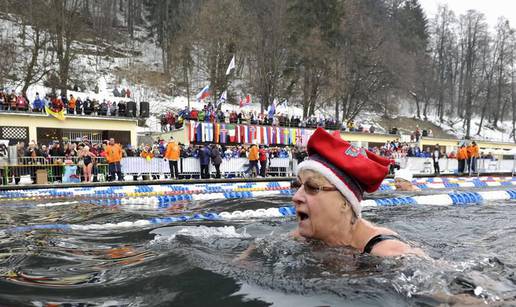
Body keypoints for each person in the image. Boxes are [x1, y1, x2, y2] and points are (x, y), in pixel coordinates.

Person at [292, 128, 422, 257]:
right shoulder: (301, 237)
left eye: (313, 187)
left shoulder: (388, 252)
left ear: (345, 203)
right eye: (299, 185)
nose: (296, 197)